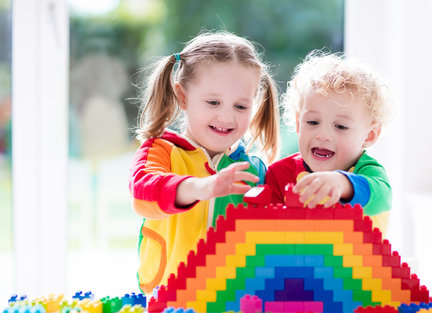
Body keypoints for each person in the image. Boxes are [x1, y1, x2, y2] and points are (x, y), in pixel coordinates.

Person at [129, 31, 280, 293]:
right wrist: (202, 188)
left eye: (240, 107)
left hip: (233, 303)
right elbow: (145, 195)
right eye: (213, 102)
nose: (226, 117)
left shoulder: (254, 169)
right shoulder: (160, 151)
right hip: (167, 301)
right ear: (183, 96)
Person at [266, 51, 391, 234]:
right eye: (312, 122)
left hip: (353, 261)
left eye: (340, 126)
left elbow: (382, 197)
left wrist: (343, 184)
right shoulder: (279, 174)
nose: (323, 135)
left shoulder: (367, 171)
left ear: (369, 135)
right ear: (298, 123)